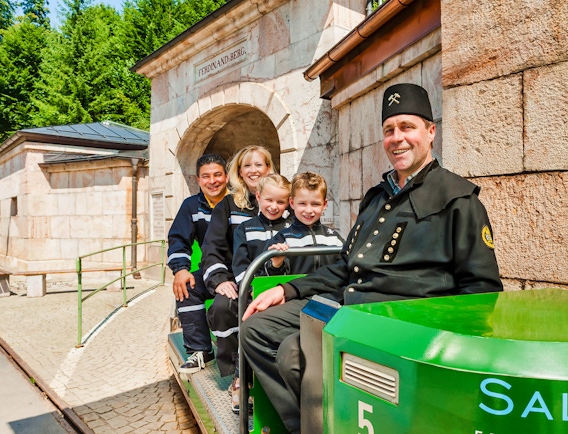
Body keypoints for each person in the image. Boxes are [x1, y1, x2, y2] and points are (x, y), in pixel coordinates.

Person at [241, 83, 503, 433]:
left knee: (293, 352)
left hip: (400, 325)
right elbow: (345, 267)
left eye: (407, 127)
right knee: (256, 328)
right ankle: (308, 425)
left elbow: (482, 293)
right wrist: (287, 289)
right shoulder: (376, 198)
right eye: (389, 130)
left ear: (430, 132)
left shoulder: (459, 200)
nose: (398, 138)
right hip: (349, 307)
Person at [207, 173, 292, 412]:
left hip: (283, 293)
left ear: (288, 203)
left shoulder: (292, 228)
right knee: (238, 317)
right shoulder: (245, 229)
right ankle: (239, 378)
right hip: (253, 291)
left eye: (281, 202)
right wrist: (254, 289)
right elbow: (240, 265)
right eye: (269, 200)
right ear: (258, 197)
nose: (274, 206)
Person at [195, 145, 276, 376]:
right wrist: (219, 280)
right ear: (239, 172)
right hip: (236, 278)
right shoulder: (228, 205)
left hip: (274, 278)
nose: (253, 170)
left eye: (259, 164)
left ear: (268, 168)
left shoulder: (280, 201)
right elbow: (212, 247)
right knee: (222, 307)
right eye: (247, 165)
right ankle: (236, 376)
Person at [166, 154, 228, 374]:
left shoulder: (240, 202)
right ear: (198, 180)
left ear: (227, 176)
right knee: (188, 287)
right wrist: (181, 270)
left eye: (217, 174)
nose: (212, 181)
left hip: (241, 269)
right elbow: (178, 239)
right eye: (206, 176)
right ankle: (200, 350)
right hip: (212, 270)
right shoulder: (191, 206)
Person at [264, 171, 345, 277]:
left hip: (327, 292)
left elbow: (344, 269)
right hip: (294, 292)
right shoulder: (282, 238)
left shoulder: (334, 238)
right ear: (292, 203)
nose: (308, 210)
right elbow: (267, 276)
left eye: (315, 204)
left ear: (325, 204)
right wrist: (276, 264)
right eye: (302, 203)